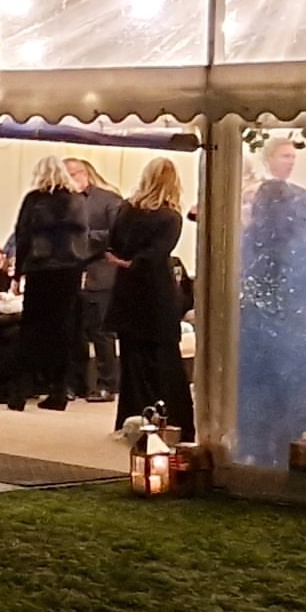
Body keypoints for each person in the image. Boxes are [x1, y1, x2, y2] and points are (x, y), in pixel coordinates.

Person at [238, 136, 306, 459]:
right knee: (288, 401)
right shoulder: (300, 240)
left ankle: (255, 454)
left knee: (256, 398)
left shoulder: (253, 237)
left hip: (257, 326)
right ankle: (281, 456)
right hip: (291, 327)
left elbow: (249, 280)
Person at [106, 159, 193, 434]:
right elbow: (157, 254)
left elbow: (115, 244)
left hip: (127, 293)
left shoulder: (126, 210)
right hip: (156, 295)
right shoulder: (170, 217)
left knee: (132, 362)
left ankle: (130, 419)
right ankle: (172, 421)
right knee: (165, 362)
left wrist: (124, 263)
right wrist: (135, 263)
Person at [5, 155, 84, 411]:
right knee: (62, 332)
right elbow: (83, 239)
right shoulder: (76, 200)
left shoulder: (34, 199)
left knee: (31, 330)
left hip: (41, 270)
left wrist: (17, 274)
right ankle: (59, 392)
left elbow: (23, 236)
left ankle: (19, 392)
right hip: (69, 272)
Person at [64, 159, 121, 401]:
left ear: (83, 174)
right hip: (69, 273)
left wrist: (83, 239)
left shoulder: (108, 200)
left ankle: (106, 383)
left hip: (100, 272)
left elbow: (117, 232)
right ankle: (72, 384)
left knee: (100, 332)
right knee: (72, 331)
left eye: (69, 176)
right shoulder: (62, 202)